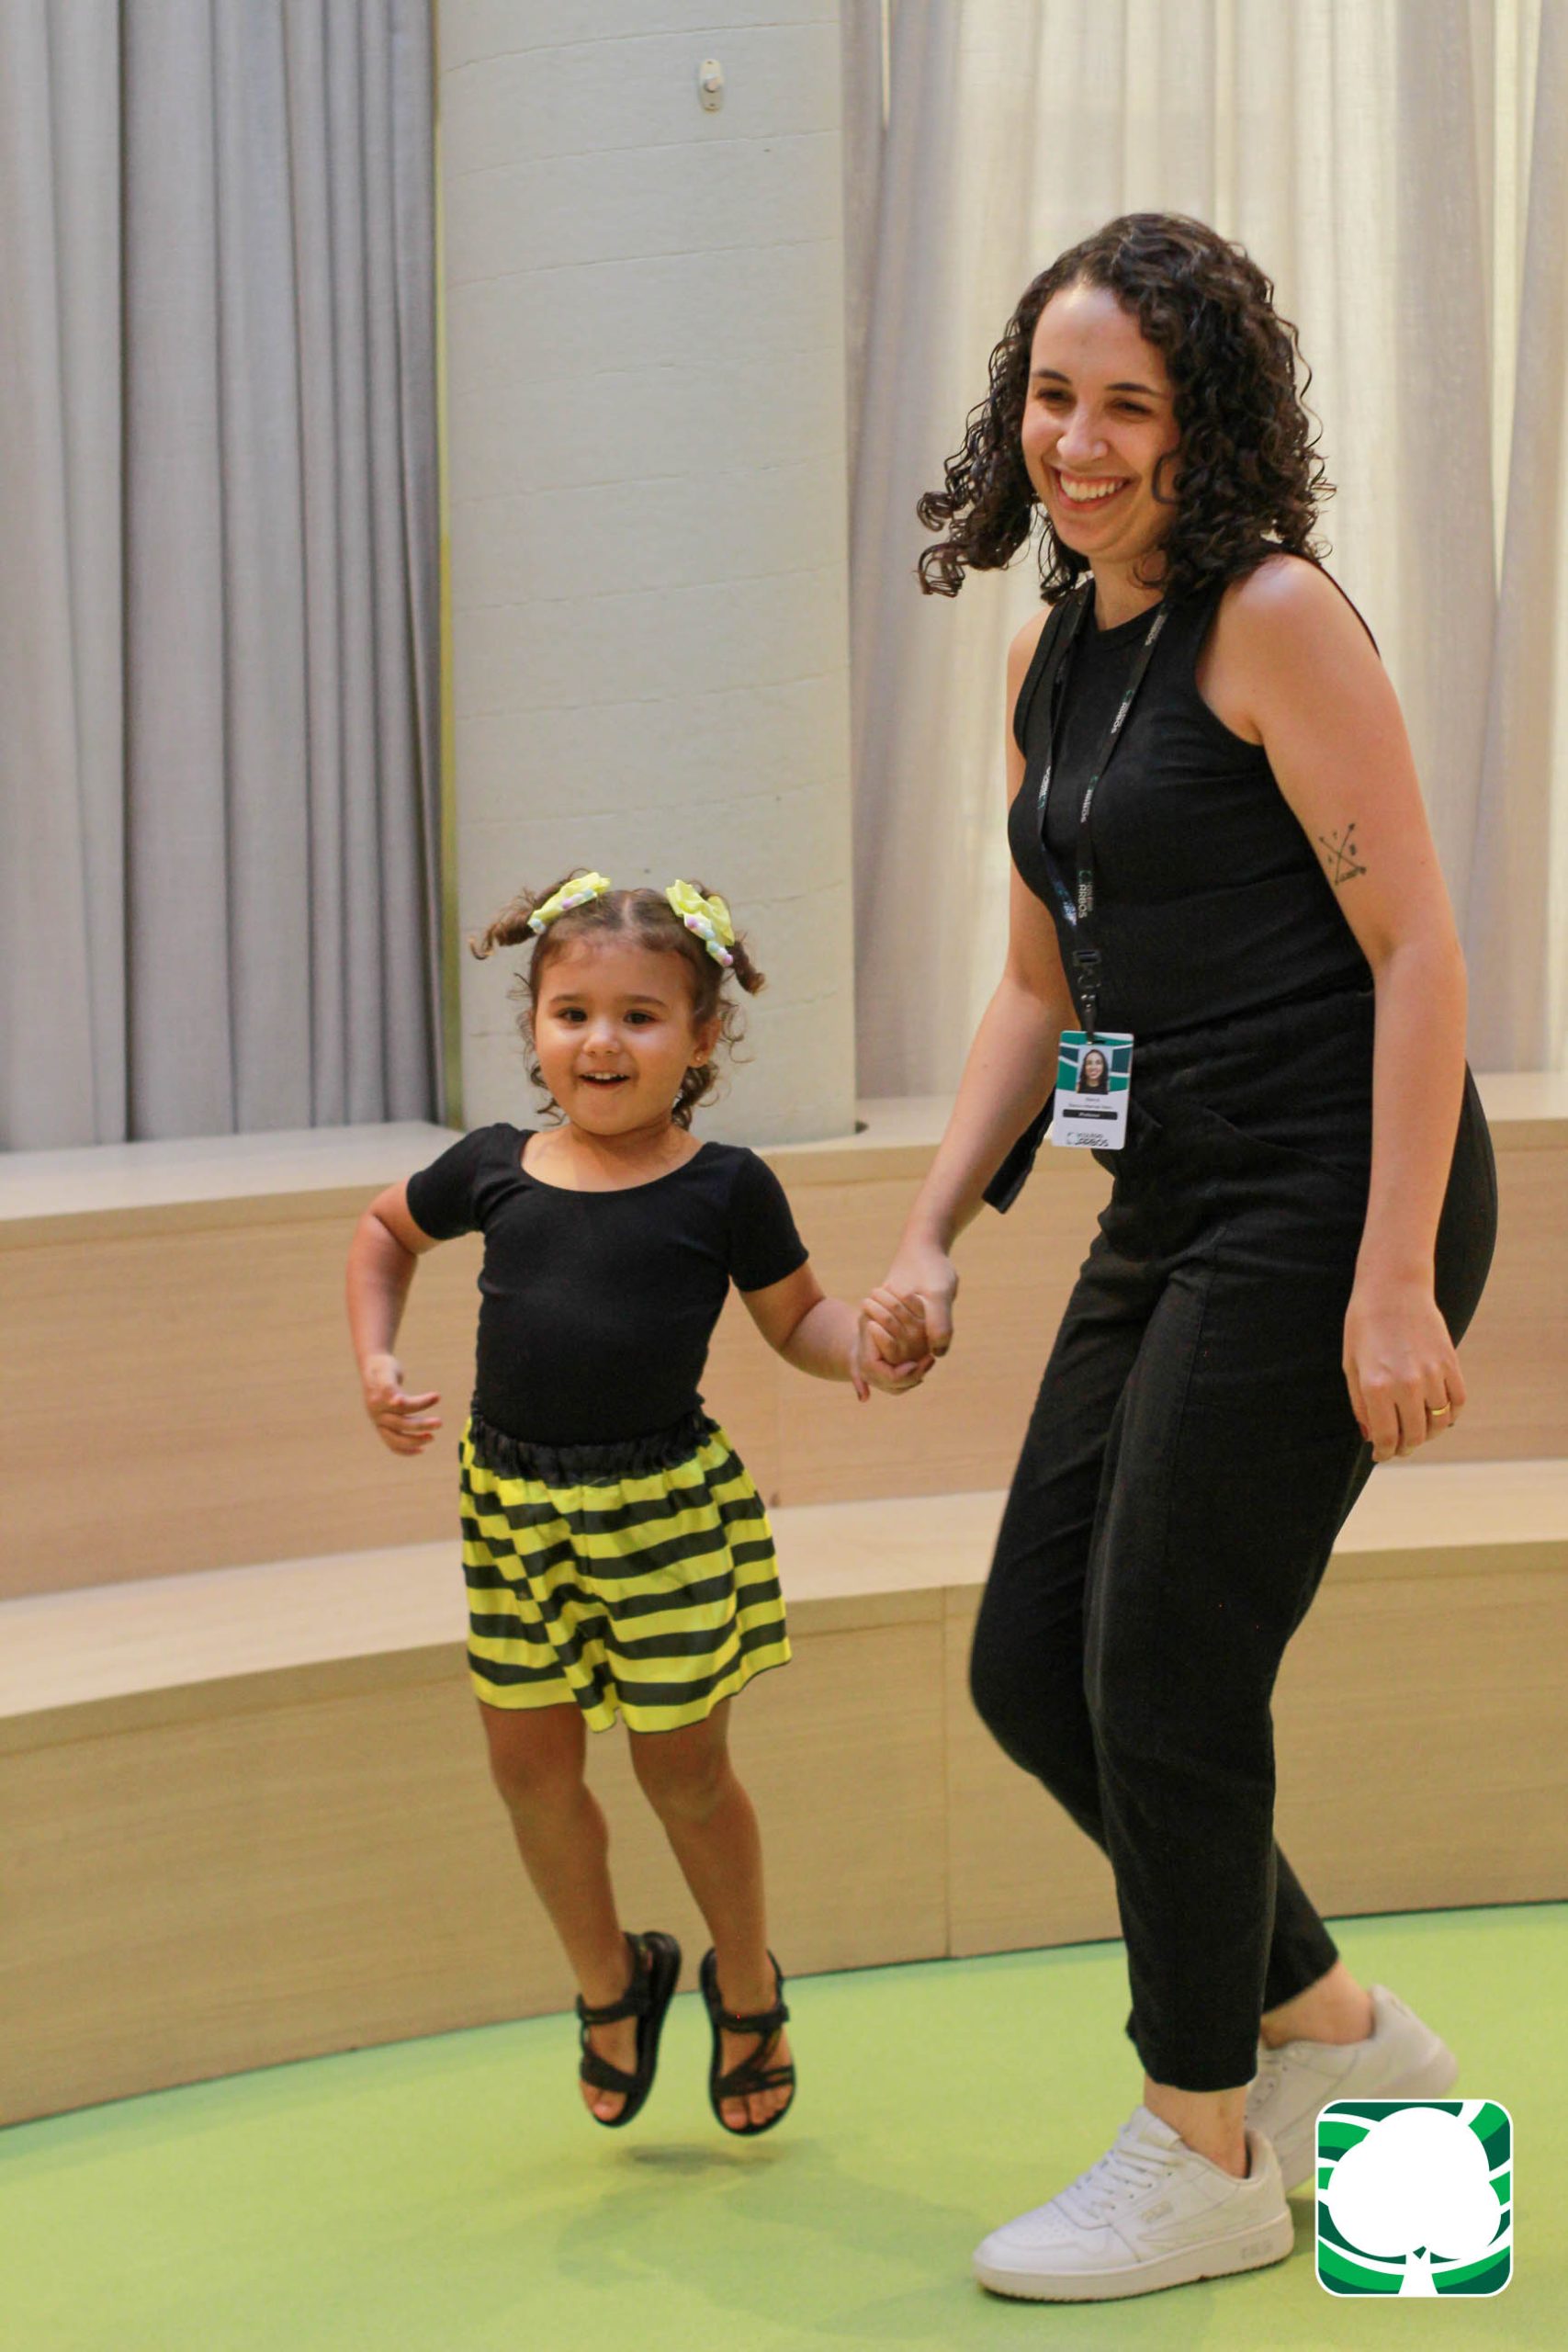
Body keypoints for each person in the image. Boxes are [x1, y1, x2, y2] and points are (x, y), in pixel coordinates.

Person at [880, 213, 1498, 2301]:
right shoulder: (1053, 652)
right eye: (1051, 397)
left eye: (1125, 406)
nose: (1076, 442)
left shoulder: (1273, 617)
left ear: (1203, 423)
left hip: (1331, 1192)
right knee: (1028, 1661)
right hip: (1168, 1193)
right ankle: (1329, 2025)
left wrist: (1391, 1277)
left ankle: (1203, 2143)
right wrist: (932, 1231)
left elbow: (1418, 952)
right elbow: (1041, 986)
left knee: (1165, 1661)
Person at [346, 872, 930, 2137]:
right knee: (528, 1772)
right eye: (572, 1013)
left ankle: (748, 1986)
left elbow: (801, 1322)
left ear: (703, 1038)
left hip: (661, 1520)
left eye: (640, 1017)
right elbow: (385, 1235)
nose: (600, 1042)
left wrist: (869, 1349)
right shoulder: (493, 1166)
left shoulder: (725, 1187)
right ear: (535, 1027)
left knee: (685, 1775)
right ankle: (611, 1980)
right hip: (514, 1516)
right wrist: (376, 1358)